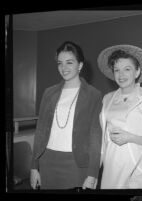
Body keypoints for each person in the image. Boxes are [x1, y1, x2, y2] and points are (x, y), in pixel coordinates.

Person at [30, 41, 102, 189]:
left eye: (69, 62)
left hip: (76, 164)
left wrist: (93, 173)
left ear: (80, 65)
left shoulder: (94, 95)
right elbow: (40, 131)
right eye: (60, 63)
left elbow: (96, 137)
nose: (64, 68)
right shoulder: (49, 93)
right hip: (47, 160)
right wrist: (34, 166)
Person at [97, 44, 142, 189]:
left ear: (137, 72)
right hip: (111, 168)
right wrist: (94, 172)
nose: (121, 74)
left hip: (137, 169)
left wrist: (130, 137)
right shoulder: (107, 99)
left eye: (127, 69)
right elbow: (102, 140)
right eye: (116, 70)